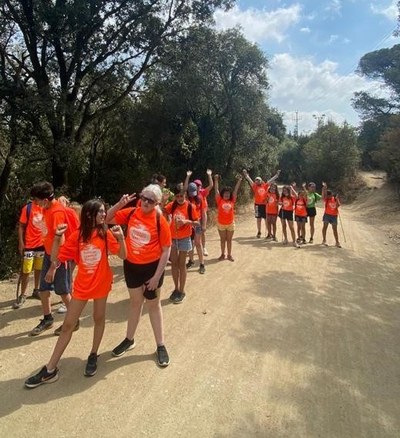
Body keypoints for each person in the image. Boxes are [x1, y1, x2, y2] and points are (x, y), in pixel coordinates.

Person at [24, 200, 126, 388]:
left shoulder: (105, 234)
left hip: (102, 284)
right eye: (101, 212)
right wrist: (56, 238)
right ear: (89, 215)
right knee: (67, 325)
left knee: (98, 318)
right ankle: (50, 369)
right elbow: (56, 257)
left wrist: (121, 239)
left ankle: (93, 354)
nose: (104, 215)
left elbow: (123, 256)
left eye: (104, 211)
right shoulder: (77, 236)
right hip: (82, 287)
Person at [106, 184, 172, 367]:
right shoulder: (131, 213)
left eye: (151, 200)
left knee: (153, 305)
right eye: (144, 197)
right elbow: (107, 218)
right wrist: (120, 204)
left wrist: (157, 277)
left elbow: (166, 250)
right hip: (131, 265)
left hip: (152, 268)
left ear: (157, 203)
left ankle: (160, 345)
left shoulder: (160, 220)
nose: (145, 202)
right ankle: (129, 339)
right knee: (135, 303)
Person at [29, 182, 77, 336]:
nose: (35, 204)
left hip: (59, 258)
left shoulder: (57, 213)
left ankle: (74, 320)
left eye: (37, 201)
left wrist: (52, 267)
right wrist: (41, 226)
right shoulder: (47, 209)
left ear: (45, 200)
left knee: (63, 291)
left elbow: (60, 241)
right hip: (49, 254)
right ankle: (48, 318)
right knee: (43, 289)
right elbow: (48, 233)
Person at [164, 184, 200, 304]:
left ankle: (182, 290)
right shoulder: (172, 205)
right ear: (175, 197)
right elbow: (162, 211)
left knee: (181, 264)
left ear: (185, 195)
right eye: (178, 196)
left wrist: (186, 221)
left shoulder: (190, 206)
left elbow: (197, 222)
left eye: (182, 196)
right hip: (173, 238)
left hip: (184, 238)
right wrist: (163, 201)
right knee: (174, 264)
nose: (180, 198)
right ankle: (176, 288)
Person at [13, 189, 45, 309]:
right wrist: (21, 243)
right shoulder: (27, 208)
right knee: (26, 270)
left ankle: (36, 290)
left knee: (39, 269)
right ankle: (22, 294)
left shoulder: (45, 207)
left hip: (42, 244)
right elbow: (21, 226)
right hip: (29, 245)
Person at [242, 169, 281, 238]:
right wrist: (246, 175)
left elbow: (271, 180)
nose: (257, 181)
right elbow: (249, 180)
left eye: (258, 180)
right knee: (258, 218)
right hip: (257, 205)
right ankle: (259, 231)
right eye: (256, 180)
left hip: (264, 205)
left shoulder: (265, 186)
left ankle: (269, 232)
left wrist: (277, 175)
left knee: (266, 219)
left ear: (261, 180)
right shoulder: (255, 186)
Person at [214, 174, 243, 261]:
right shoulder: (219, 200)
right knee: (223, 240)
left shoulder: (232, 200)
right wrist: (216, 180)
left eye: (228, 193)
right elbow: (216, 190)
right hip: (221, 224)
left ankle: (229, 255)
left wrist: (239, 180)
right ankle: (222, 254)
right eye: (225, 193)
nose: (227, 194)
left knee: (229, 240)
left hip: (230, 224)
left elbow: (235, 190)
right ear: (222, 194)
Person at [184, 173, 206, 274]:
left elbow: (203, 213)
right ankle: (191, 261)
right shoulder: (186, 199)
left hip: (197, 223)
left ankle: (202, 264)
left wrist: (204, 225)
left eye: (194, 192)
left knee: (198, 243)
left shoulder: (200, 199)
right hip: (188, 224)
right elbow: (184, 188)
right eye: (191, 192)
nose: (193, 195)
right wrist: (187, 177)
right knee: (190, 244)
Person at [193, 170, 213, 256]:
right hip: (194, 215)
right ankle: (194, 247)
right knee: (194, 232)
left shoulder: (202, 192)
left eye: (198, 185)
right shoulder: (191, 194)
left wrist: (209, 175)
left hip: (202, 214)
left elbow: (211, 185)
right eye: (195, 185)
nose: (197, 186)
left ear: (201, 186)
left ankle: (204, 248)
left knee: (203, 232)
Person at [321, 182, 342, 248]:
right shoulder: (326, 199)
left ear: (331, 195)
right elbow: (323, 196)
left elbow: (338, 205)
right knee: (325, 227)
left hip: (334, 215)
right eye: (327, 196)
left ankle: (337, 242)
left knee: (334, 229)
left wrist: (337, 200)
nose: (328, 197)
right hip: (327, 214)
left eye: (329, 196)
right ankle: (324, 240)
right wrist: (324, 188)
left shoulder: (335, 199)